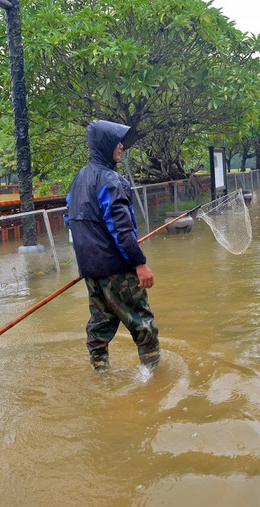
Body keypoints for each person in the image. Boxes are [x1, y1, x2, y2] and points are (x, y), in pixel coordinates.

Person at [65, 120, 160, 371]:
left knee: (100, 324)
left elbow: (70, 219)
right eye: (117, 141)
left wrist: (89, 258)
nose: (121, 146)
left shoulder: (78, 179)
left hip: (91, 271)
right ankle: (154, 379)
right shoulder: (110, 179)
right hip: (117, 269)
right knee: (143, 324)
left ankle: (101, 374)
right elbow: (121, 228)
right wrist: (139, 263)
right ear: (106, 144)